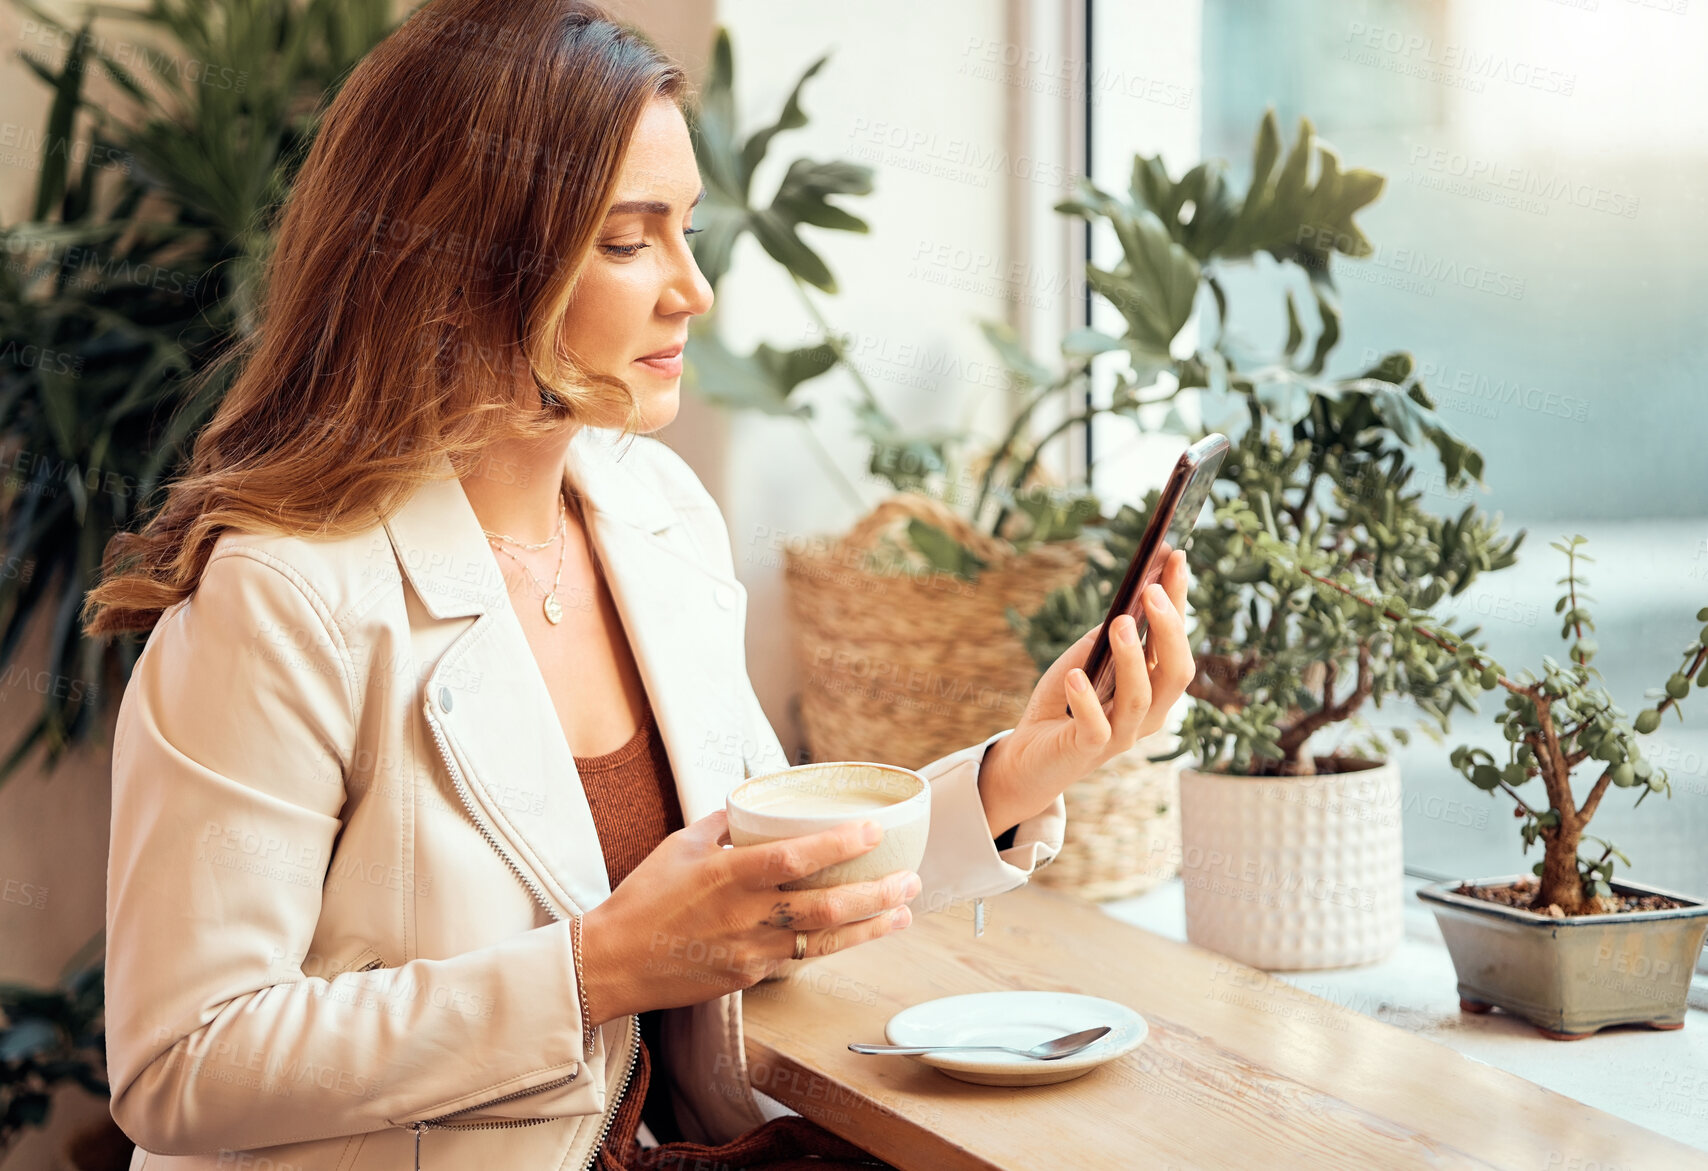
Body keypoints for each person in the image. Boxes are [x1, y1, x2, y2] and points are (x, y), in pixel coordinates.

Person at [83, 2, 1195, 1168]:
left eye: (689, 231)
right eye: (629, 240)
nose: (691, 290)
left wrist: (1023, 772)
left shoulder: (654, 514)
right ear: (459, 263)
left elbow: (766, 874)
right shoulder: (282, 599)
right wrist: (598, 965)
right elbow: (180, 1065)